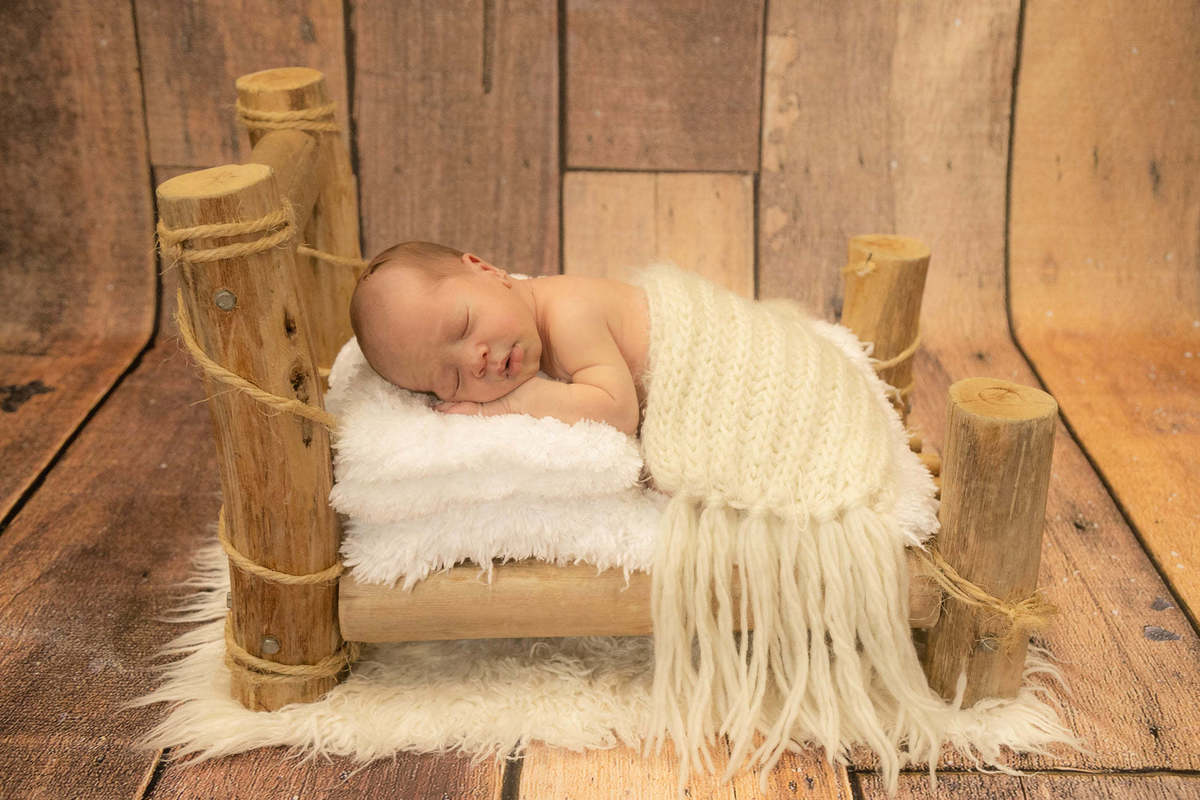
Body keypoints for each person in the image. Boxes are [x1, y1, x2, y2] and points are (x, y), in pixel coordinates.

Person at [349, 241, 648, 436]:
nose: (474, 362)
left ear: (487, 270)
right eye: (454, 380)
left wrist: (509, 404)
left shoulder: (569, 313)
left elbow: (619, 413)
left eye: (463, 326)